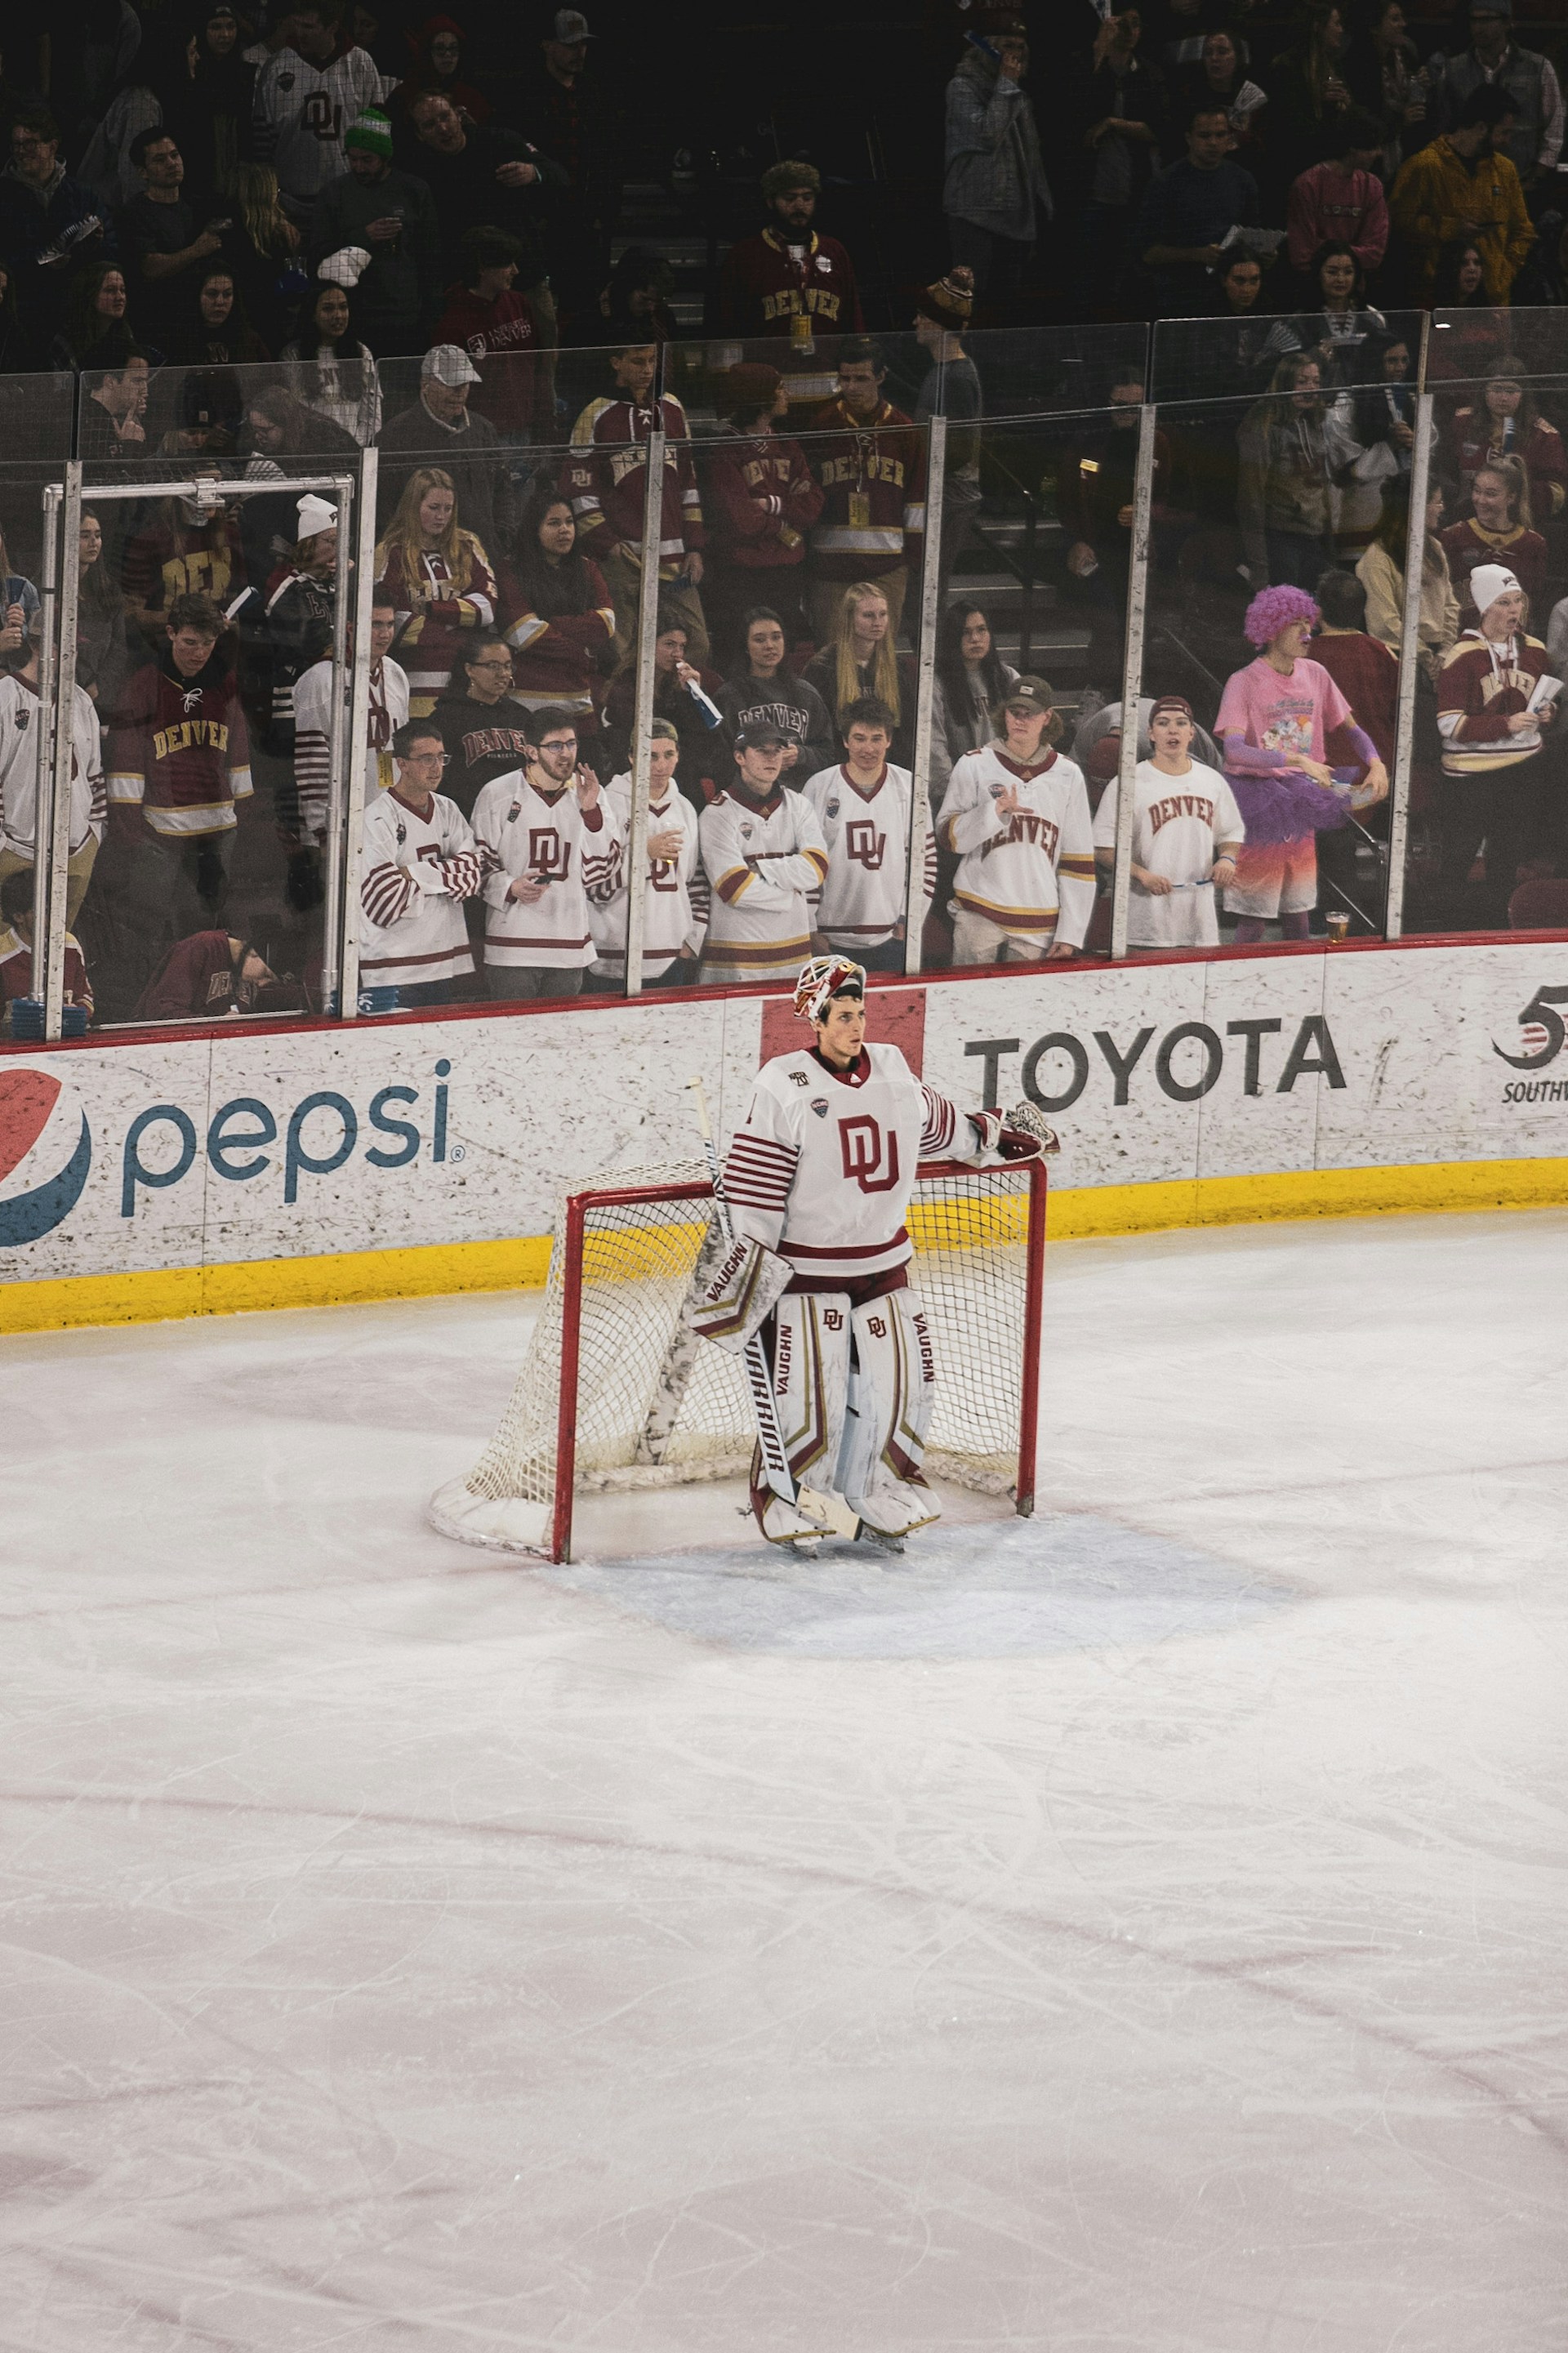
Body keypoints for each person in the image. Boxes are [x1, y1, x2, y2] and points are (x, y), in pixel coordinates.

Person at [712, 953, 1045, 1546]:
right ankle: (787, 1494)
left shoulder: (892, 1068)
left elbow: (946, 1128)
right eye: (842, 1014)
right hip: (808, 1271)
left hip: (884, 1264)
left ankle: (879, 1486)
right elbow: (754, 1189)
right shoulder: (781, 1083)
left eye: (861, 1012)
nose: (856, 1024)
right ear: (815, 1019)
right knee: (812, 1395)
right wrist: (751, 1272)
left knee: (905, 1386)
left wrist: (995, 1136)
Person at [1214, 582, 1387, 943]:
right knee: (1254, 918)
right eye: (1297, 624)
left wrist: (1376, 763)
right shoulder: (1243, 681)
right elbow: (1233, 751)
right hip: (1261, 800)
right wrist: (1296, 759)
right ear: (1271, 628)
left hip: (1303, 797)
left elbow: (1353, 730)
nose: (1308, 633)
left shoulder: (1316, 673)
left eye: (1309, 623)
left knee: (1300, 913)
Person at [105, 590, 253, 960]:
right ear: (170, 633)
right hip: (157, 832)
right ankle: (144, 1003)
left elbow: (238, 753)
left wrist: (242, 818)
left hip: (217, 830)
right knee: (144, 927)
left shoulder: (226, 682)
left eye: (208, 643)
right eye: (190, 642)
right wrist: (132, 833)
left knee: (205, 927)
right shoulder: (142, 686)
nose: (199, 653)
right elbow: (126, 765)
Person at [935, 675, 1096, 965]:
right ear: (1004, 713)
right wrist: (992, 814)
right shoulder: (974, 764)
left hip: (1039, 918)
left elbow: (1078, 860)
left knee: (1028, 1007)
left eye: (1030, 714)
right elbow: (948, 838)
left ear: (1047, 717)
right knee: (967, 1001)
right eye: (1015, 712)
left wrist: (1071, 932)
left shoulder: (1068, 774)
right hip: (978, 911)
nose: (1020, 720)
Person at [565, 341, 707, 663]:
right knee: (623, 651)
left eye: (652, 361)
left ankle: (669, 710)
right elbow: (579, 487)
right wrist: (609, 545)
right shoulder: (594, 414)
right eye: (637, 361)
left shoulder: (672, 408)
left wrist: (695, 546)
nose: (647, 369)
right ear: (616, 361)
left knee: (697, 646)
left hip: (675, 560)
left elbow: (688, 482)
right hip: (622, 561)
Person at [470, 706, 621, 1000]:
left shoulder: (592, 794)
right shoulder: (497, 793)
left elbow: (603, 870)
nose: (566, 754)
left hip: (569, 946)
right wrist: (510, 886)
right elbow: (477, 862)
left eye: (571, 744)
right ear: (532, 751)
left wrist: (590, 812)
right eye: (555, 746)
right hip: (512, 948)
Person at [1435, 560, 1557, 926]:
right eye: (1504, 602)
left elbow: (1538, 703)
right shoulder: (1462, 657)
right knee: (1458, 858)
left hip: (1523, 769)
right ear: (1485, 606)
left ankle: (1498, 932)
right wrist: (1504, 725)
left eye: (1517, 600)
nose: (1514, 609)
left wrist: (1547, 712)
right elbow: (1448, 723)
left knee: (1508, 858)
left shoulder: (1535, 651)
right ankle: (1447, 932)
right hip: (1470, 777)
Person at [1090, 693, 1244, 949]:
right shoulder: (1129, 782)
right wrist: (1142, 875)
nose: (1172, 730)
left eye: (1181, 723)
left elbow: (1231, 832)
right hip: (1146, 921)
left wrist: (1227, 859)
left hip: (1198, 921)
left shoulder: (1212, 781)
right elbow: (1102, 848)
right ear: (1151, 733)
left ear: (1192, 733)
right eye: (1163, 723)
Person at [710, 159, 864, 413]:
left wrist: (859, 374)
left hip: (828, 390)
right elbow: (727, 324)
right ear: (771, 201)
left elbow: (853, 316)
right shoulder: (745, 255)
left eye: (807, 197)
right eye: (789, 198)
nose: (799, 205)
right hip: (765, 393)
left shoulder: (834, 250)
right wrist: (726, 390)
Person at [406, 90, 564, 333]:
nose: (442, 128)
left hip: (524, 274)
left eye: (445, 117)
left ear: (459, 115)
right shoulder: (420, 173)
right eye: (430, 125)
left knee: (542, 356)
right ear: (419, 136)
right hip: (469, 288)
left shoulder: (500, 142)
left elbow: (558, 175)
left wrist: (532, 172)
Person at [701, 362, 823, 666]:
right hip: (742, 572)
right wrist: (786, 521)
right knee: (741, 649)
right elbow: (743, 519)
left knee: (784, 648)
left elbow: (813, 504)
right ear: (759, 398)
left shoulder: (787, 445)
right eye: (779, 389)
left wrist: (771, 506)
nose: (787, 394)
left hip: (785, 570)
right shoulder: (726, 450)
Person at [805, 341, 926, 646]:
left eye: (861, 379)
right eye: (845, 379)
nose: (851, 387)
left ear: (881, 377)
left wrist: (910, 558)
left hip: (887, 567)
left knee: (880, 656)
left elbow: (916, 500)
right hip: (831, 566)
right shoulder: (822, 425)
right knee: (831, 656)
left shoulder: (903, 429)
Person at [800, 697, 933, 973]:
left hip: (890, 935)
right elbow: (804, 865)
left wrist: (911, 915)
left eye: (876, 738)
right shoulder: (819, 786)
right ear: (846, 741)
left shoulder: (909, 786)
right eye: (859, 738)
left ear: (889, 740)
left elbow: (925, 859)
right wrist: (809, 927)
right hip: (830, 936)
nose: (868, 748)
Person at [357, 715, 483, 1005]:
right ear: (401, 763)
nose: (437, 767)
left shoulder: (448, 808)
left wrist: (413, 874)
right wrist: (446, 878)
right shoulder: (377, 818)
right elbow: (383, 896)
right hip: (391, 967)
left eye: (441, 757)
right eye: (426, 759)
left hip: (440, 962)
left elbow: (473, 872)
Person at [1058, 372, 1174, 687]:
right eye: (1120, 406)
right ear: (1108, 404)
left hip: (1138, 551)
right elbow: (1063, 495)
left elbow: (1170, 498)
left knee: (1137, 625)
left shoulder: (1157, 442)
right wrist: (1077, 539)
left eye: (1135, 407)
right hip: (1095, 547)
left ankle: (1134, 690)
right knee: (1107, 623)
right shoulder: (1089, 440)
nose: (1127, 414)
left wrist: (1146, 513)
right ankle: (1098, 692)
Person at [697, 722, 830, 986]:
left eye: (777, 751)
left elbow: (817, 867)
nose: (772, 758)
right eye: (761, 750)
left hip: (794, 958)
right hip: (735, 959)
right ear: (739, 757)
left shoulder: (799, 805)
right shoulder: (717, 814)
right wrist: (792, 893)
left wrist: (760, 869)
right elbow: (734, 888)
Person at [308, 103, 439, 356]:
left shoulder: (414, 191)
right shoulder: (334, 195)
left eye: (367, 159)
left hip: (406, 320)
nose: (358, 167)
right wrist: (363, 237)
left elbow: (431, 260)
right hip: (353, 321)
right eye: (353, 159)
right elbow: (317, 259)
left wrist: (431, 318)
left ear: (384, 157)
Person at [942, 25, 1054, 319]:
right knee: (971, 295)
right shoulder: (961, 87)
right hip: (975, 210)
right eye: (1007, 46)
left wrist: (1042, 201)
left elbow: (1031, 154)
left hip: (1015, 210)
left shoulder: (1018, 94)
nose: (1014, 54)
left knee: (1006, 299)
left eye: (1019, 48)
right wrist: (1005, 84)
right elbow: (987, 134)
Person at [0, 613, 104, 925]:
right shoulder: (5, 695)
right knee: (7, 959)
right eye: (64, 646)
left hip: (76, 852)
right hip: (17, 852)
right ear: (37, 643)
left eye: (75, 647)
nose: (72, 655)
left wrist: (94, 835)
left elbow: (94, 778)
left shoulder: (82, 700)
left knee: (57, 953)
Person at [587, 718, 706, 988]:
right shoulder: (608, 804)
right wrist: (644, 854)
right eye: (649, 756)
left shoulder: (685, 807)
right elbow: (594, 886)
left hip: (672, 957)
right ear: (631, 756)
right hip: (613, 957)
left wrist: (691, 940)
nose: (661, 765)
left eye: (668, 755)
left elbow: (696, 880)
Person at [516, 7, 620, 315]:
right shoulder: (528, 95)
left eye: (582, 45)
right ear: (548, 45)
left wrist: (605, 211)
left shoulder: (593, 93)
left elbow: (608, 157)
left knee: (584, 306)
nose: (579, 52)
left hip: (586, 223)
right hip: (544, 224)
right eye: (570, 45)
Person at [373, 465, 497, 714]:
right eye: (433, 508)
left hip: (465, 684)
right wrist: (460, 626)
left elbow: (487, 609)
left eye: (448, 509)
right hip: (411, 682)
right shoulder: (390, 552)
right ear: (413, 506)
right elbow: (395, 622)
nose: (442, 516)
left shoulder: (468, 545)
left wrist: (433, 609)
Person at [1391, 85, 1532, 301]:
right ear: (1482, 127)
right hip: (1438, 300)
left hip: (1494, 305)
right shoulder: (1425, 166)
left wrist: (1503, 274)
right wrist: (1451, 228)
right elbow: (1399, 223)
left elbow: (1523, 231)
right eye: (1504, 132)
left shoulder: (1505, 169)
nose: (1508, 141)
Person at [252, 0, 388, 225]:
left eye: (309, 27)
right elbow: (262, 140)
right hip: (290, 204)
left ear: (332, 28)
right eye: (298, 25)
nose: (300, 33)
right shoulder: (276, 67)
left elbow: (376, 136)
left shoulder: (360, 64)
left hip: (347, 201)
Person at [380, 344, 515, 565]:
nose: (460, 391)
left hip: (483, 558)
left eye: (465, 383)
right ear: (425, 385)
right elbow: (383, 508)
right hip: (422, 563)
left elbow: (503, 490)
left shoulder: (484, 431)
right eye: (451, 384)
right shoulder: (395, 437)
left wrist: (501, 537)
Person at [501, 479, 615, 740]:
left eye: (569, 522)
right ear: (534, 528)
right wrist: (581, 650)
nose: (564, 530)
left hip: (579, 708)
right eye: (554, 523)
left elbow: (607, 623)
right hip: (525, 707)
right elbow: (522, 633)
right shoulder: (511, 569)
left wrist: (551, 624)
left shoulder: (588, 568)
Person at [294, 586, 408, 842]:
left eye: (390, 624)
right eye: (376, 625)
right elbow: (312, 762)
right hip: (340, 825)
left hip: (390, 819)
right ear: (350, 628)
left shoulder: (396, 674)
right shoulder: (321, 679)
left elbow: (400, 752)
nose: (385, 634)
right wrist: (323, 829)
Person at [1075, 6, 1168, 306]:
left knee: (1129, 275)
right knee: (1088, 275)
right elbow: (1071, 116)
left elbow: (1162, 130)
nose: (1129, 30)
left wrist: (1113, 123)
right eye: (1121, 24)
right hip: (1092, 190)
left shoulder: (1151, 74)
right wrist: (1098, 51)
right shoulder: (1087, 68)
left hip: (1137, 188)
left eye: (1136, 24)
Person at [1423, 2, 1563, 197]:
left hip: (1522, 180)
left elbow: (1555, 128)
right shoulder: (1454, 69)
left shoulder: (1537, 67)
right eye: (1474, 20)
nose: (1479, 27)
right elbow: (1443, 127)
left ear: (1507, 23)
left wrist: (1536, 178)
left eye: (1487, 19)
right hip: (1468, 183)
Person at [1136, 103, 1262, 320]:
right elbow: (1148, 253)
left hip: (1229, 298)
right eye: (1205, 136)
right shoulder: (1165, 184)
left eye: (1220, 134)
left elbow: (1251, 234)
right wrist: (1198, 254)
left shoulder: (1242, 180)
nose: (1213, 142)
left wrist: (1262, 254)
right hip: (1180, 295)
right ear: (1189, 138)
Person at [0, 108, 108, 350]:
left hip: (73, 311)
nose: (21, 151)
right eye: (16, 144)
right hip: (20, 313)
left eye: (30, 143)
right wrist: (36, 261)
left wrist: (91, 244)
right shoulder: (3, 197)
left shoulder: (82, 196)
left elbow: (110, 250)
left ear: (52, 146)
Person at [433, 227, 545, 443]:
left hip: (525, 426)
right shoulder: (453, 322)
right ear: (482, 268)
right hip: (480, 434)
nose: (516, 271)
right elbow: (447, 389)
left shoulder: (519, 303)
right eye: (507, 264)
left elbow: (539, 365)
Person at [911, 265, 982, 595]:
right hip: (939, 490)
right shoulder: (941, 371)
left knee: (930, 586)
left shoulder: (956, 377)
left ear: (939, 324)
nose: (916, 322)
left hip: (949, 494)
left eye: (922, 316)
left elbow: (960, 450)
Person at [1236, 354, 1335, 590]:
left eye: (1316, 381)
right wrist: (1259, 563)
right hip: (1279, 539)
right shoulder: (1262, 426)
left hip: (1313, 537)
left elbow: (1322, 487)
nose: (1311, 389)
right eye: (1302, 382)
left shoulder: (1314, 422)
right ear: (1284, 383)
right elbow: (1250, 497)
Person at [121, 470, 245, 649]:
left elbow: (236, 597)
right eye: (199, 486)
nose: (207, 494)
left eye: (214, 485)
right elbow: (131, 615)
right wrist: (183, 620)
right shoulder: (151, 541)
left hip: (219, 648)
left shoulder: (229, 534)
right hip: (168, 650)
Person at [600, 613, 724, 794]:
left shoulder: (678, 688)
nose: (677, 654)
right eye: (669, 644)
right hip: (633, 782)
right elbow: (627, 744)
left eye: (682, 647)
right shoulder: (625, 688)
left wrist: (694, 695)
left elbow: (702, 741)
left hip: (677, 778)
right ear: (647, 645)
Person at [802, 582, 918, 769]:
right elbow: (818, 734)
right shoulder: (823, 668)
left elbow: (906, 733)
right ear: (849, 619)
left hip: (889, 769)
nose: (878, 622)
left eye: (883, 614)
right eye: (868, 615)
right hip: (838, 770)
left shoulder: (898, 668)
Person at [1356, 476, 1460, 683]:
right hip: (1398, 660)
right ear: (1418, 506)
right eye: (1437, 502)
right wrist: (1425, 656)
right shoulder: (1377, 558)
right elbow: (1384, 623)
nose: (1442, 508)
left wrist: (1444, 651)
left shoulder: (1435, 548)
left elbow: (1450, 605)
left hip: (1438, 656)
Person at [1443, 363, 1567, 531]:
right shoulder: (1462, 423)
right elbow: (1444, 473)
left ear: (1523, 394)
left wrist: (1513, 492)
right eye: (1496, 389)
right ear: (1485, 391)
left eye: (1511, 391)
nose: (1503, 397)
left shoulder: (1544, 435)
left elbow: (1557, 492)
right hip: (1464, 522)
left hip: (1520, 527)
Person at [719, 607, 835, 786]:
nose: (770, 646)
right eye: (759, 640)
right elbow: (717, 759)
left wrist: (802, 755)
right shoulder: (729, 697)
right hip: (748, 796)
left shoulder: (807, 694)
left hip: (799, 797)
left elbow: (829, 754)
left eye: (776, 637)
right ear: (746, 647)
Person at [1325, 329, 1415, 555]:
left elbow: (1432, 446)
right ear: (1374, 361)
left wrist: (1416, 443)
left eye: (1404, 360)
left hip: (1403, 509)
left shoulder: (1410, 398)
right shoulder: (1347, 403)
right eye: (1392, 361)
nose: (1400, 367)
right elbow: (1343, 473)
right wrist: (1389, 446)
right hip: (1359, 510)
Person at [432, 635, 534, 816]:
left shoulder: (522, 716)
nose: (503, 674)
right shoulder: (445, 718)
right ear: (469, 669)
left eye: (507, 666)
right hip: (469, 817)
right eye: (492, 666)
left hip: (520, 816)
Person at [1285, 109, 1390, 282]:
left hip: (1356, 288)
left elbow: (1374, 253)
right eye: (1374, 147)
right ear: (1353, 148)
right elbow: (1302, 253)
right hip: (1311, 287)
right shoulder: (1308, 184)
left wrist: (1324, 250)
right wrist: (1351, 258)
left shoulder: (1372, 186)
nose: (1379, 153)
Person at [1441, 454, 1547, 622]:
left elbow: (1534, 605)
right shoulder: (1453, 537)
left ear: (1511, 497)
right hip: (1461, 640)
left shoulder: (1533, 544)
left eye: (1490, 494)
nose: (1480, 500)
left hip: (1512, 641)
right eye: (1477, 491)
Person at [281, 277, 383, 445]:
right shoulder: (293, 355)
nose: (338, 316)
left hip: (354, 449)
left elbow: (372, 415)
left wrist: (354, 447)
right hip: (310, 448)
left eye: (343, 308)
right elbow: (294, 414)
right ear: (312, 315)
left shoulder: (362, 353)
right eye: (328, 309)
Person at [220, 163, 309, 356]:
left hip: (240, 326)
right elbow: (288, 291)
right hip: (264, 328)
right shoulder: (274, 238)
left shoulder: (225, 231)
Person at [931, 602, 1019, 778]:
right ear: (952, 637)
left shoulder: (1007, 677)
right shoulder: (937, 683)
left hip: (1007, 779)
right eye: (966, 632)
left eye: (981, 630)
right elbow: (935, 744)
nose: (975, 639)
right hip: (961, 783)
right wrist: (951, 791)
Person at [0, 867, 92, 1032]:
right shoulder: (3, 955)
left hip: (66, 1043)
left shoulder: (69, 944)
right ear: (18, 916)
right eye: (45, 911)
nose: (55, 916)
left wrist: (75, 1012)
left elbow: (85, 997)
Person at [134, 929, 301, 1018]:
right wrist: (214, 1025)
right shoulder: (203, 945)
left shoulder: (248, 974)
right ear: (253, 954)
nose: (263, 983)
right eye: (266, 974)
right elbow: (159, 1010)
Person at [1289, 242, 1388, 385]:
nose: (1341, 279)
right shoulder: (1300, 321)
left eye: (1348, 272)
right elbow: (1289, 372)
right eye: (1332, 272)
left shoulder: (1372, 318)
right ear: (1318, 274)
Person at [76, 508, 131, 709]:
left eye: (97, 536)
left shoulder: (109, 590)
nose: (93, 542)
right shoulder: (46, 589)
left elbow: (119, 647)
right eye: (85, 536)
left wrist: (98, 685)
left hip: (98, 698)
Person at [166, 266, 270, 366]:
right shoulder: (180, 338)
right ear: (197, 297)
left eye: (227, 294)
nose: (220, 302)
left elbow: (269, 378)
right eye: (212, 294)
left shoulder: (249, 338)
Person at [49, 261, 137, 372]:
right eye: (110, 290)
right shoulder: (65, 341)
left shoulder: (124, 333)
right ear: (90, 294)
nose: (120, 297)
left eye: (122, 290)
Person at [76, 348, 152, 461]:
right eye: (137, 381)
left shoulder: (108, 418)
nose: (145, 390)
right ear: (110, 382)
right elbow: (105, 474)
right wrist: (131, 445)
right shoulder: (89, 422)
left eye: (145, 382)